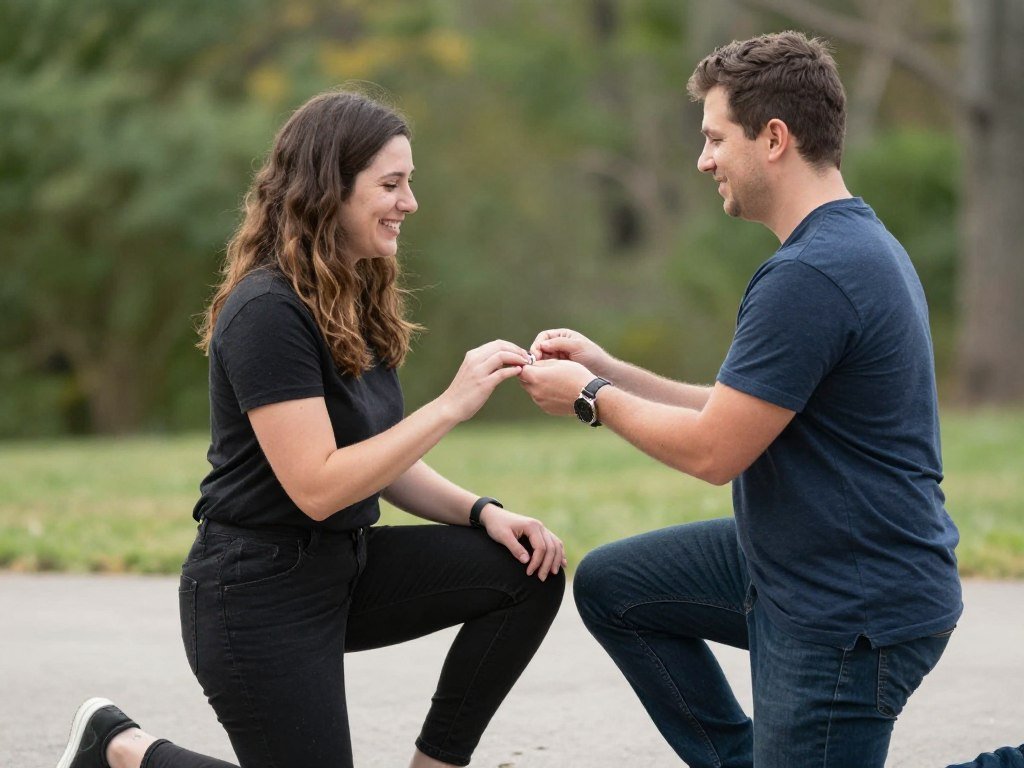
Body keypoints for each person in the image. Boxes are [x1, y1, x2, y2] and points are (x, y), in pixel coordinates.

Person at [519, 31, 1023, 768]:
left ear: (775, 138)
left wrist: (591, 397)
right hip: (806, 564)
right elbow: (742, 412)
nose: (704, 160)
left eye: (716, 137)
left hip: (850, 609)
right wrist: (611, 369)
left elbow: (714, 451)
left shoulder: (811, 275)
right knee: (616, 587)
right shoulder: (853, 243)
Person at [56, 89, 565, 768]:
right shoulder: (266, 310)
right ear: (331, 190)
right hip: (254, 593)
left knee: (527, 569)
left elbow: (376, 459)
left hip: (341, 569)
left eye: (408, 182)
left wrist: (483, 513)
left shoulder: (355, 293)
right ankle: (122, 749)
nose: (409, 202)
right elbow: (319, 487)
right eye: (391, 184)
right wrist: (449, 405)